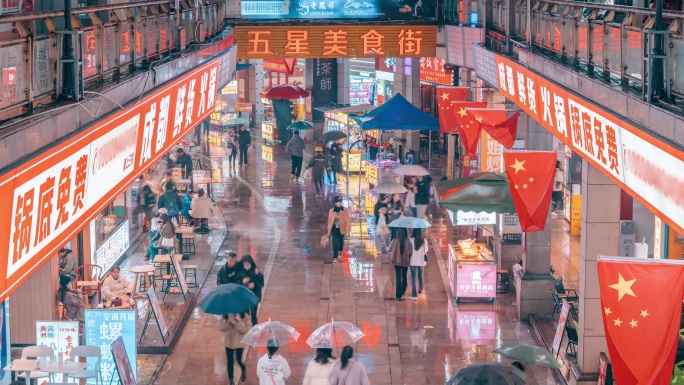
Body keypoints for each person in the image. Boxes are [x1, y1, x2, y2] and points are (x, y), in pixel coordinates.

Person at [218, 313, 252, 385]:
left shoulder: (244, 315)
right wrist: (228, 321)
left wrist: (237, 322)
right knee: (230, 361)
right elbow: (220, 328)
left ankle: (243, 369)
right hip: (228, 342)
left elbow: (246, 329)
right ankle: (231, 381)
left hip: (239, 343)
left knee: (239, 360)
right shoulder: (225, 315)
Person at [240, 255, 264, 325]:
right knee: (245, 315)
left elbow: (261, 283)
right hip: (244, 297)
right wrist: (242, 282)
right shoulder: (240, 271)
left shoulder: (256, 271)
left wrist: (254, 285)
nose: (246, 265)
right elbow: (236, 282)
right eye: (244, 263)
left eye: (247, 263)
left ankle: (254, 327)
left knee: (253, 314)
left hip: (253, 296)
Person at [390, 228, 413, 301]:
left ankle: (398, 295)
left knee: (398, 277)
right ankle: (403, 289)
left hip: (397, 262)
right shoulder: (407, 241)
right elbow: (411, 251)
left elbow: (390, 248)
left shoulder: (395, 240)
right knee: (404, 275)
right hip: (405, 261)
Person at [327, 196, 351, 263]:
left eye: (341, 202)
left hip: (342, 229)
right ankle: (335, 257)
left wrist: (349, 228)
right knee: (335, 243)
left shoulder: (344, 210)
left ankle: (340, 250)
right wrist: (328, 231)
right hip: (334, 229)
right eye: (338, 202)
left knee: (341, 243)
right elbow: (329, 221)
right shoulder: (331, 211)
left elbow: (348, 219)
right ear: (335, 203)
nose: (340, 203)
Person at [409, 228, 429, 301]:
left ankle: (414, 295)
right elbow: (426, 250)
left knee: (413, 277)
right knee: (420, 275)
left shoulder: (411, 240)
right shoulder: (424, 241)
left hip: (412, 261)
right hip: (421, 261)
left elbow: (409, 250)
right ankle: (420, 289)